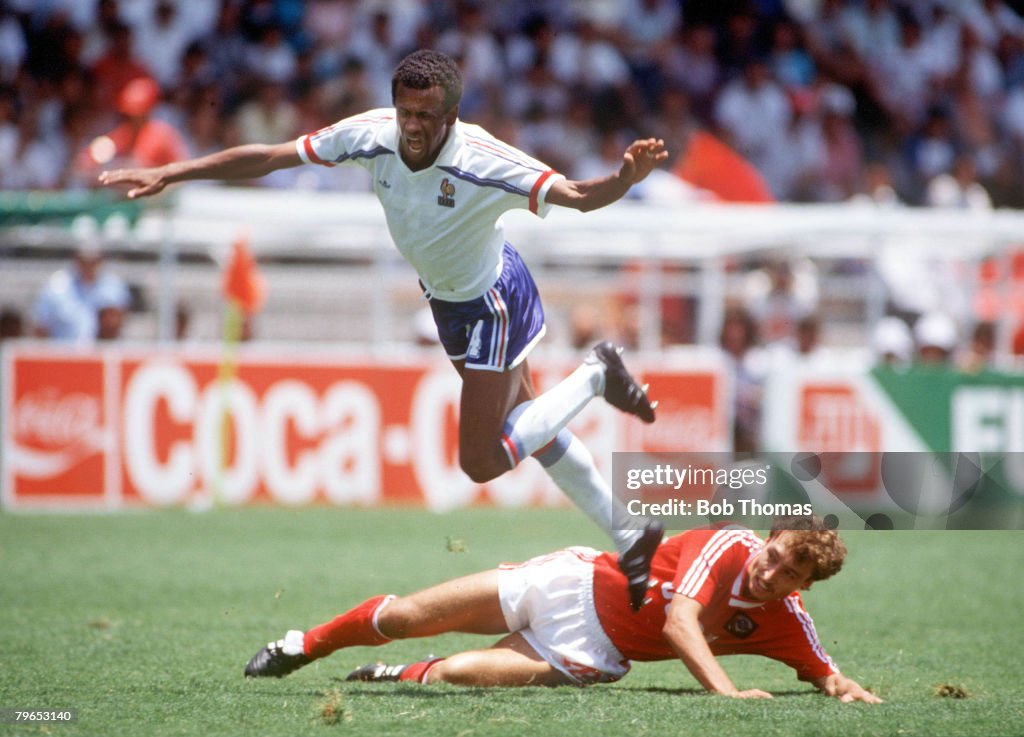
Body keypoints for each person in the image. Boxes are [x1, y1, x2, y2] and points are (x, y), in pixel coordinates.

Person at [99, 49, 668, 608]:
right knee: (529, 425)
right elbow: (273, 156)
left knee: (482, 459)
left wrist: (622, 179)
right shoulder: (372, 135)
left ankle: (596, 372)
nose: (413, 126)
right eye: (406, 112)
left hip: (489, 300)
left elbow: (576, 196)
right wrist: (174, 172)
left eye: (426, 115)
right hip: (449, 300)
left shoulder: (484, 160)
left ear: (450, 116)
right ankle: (630, 535)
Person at [242, 515, 882, 704]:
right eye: (778, 555)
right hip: (571, 584)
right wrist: (728, 693)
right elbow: (679, 621)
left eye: (793, 573)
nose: (773, 573)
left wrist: (839, 684)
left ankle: (395, 676)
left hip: (591, 652)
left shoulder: (785, 614)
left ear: (805, 583)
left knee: (457, 675)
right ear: (769, 537)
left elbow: (821, 669)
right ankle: (308, 643)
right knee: (406, 616)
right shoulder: (724, 543)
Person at [31, 243, 131, 343]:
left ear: (101, 260)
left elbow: (119, 325)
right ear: (76, 259)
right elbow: (41, 327)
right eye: (84, 260)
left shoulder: (115, 287)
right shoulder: (55, 286)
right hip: (62, 354)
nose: (89, 265)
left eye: (94, 260)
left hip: (100, 354)